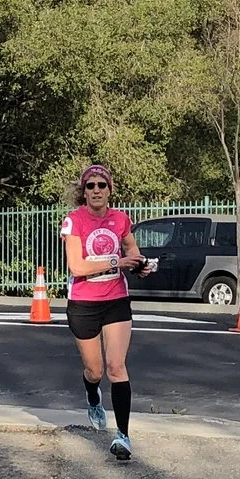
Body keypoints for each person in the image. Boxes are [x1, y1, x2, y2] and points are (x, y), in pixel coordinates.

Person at [59, 163, 148, 461]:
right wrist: (115, 262)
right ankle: (92, 394)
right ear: (83, 192)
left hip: (115, 300)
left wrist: (140, 264)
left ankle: (123, 436)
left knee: (116, 367)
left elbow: (132, 252)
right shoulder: (74, 221)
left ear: (110, 190)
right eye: (90, 186)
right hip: (84, 303)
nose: (96, 190)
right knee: (95, 371)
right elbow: (77, 267)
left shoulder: (120, 219)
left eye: (102, 185)